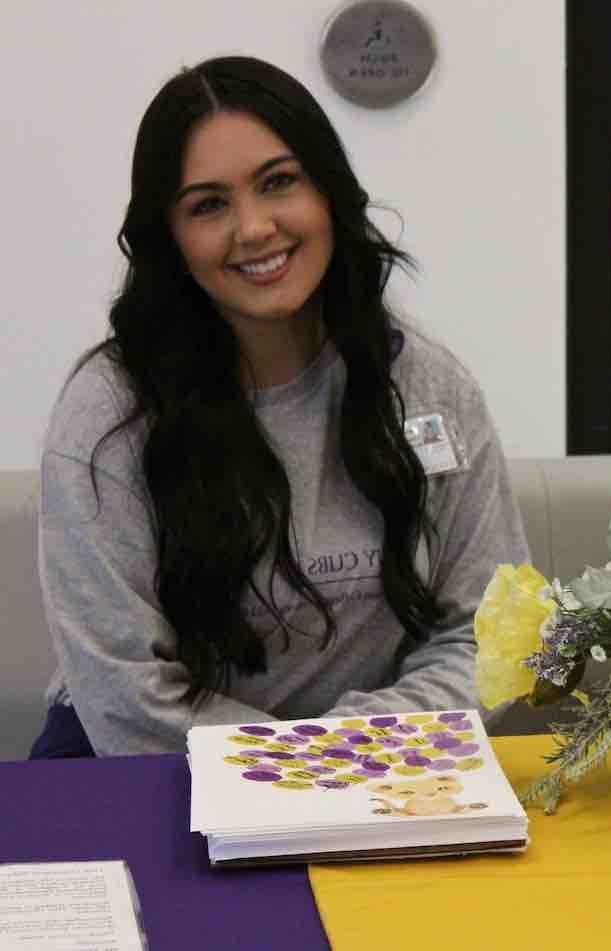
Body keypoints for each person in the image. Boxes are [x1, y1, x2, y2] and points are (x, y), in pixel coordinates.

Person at [31, 56, 528, 757]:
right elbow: (126, 695)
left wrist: (349, 754)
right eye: (209, 205)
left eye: (279, 183)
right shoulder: (107, 416)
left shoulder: (429, 386)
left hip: (382, 768)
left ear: (328, 191)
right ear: (169, 238)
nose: (255, 228)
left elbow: (487, 631)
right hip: (150, 771)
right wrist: (304, 771)